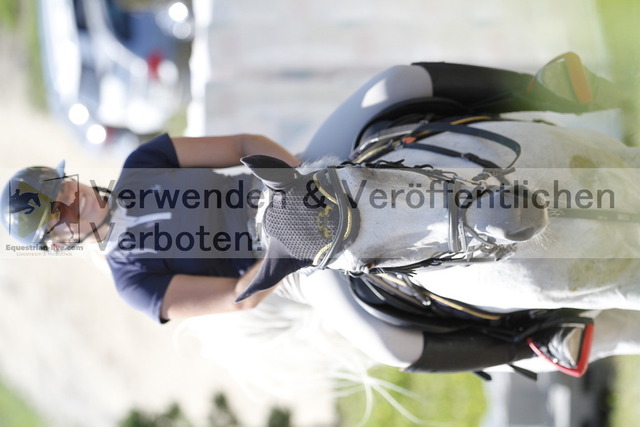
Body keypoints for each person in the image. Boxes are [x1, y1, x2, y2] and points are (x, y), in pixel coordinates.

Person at [1, 58, 629, 375]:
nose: (71, 203)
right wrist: (285, 253)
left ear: (67, 177)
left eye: (61, 190)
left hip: (300, 178)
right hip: (297, 265)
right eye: (59, 215)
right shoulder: (134, 283)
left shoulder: (142, 162)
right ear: (59, 242)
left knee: (397, 83)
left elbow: (240, 144)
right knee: (393, 346)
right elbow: (238, 298)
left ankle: (542, 89)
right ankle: (529, 339)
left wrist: (294, 175)